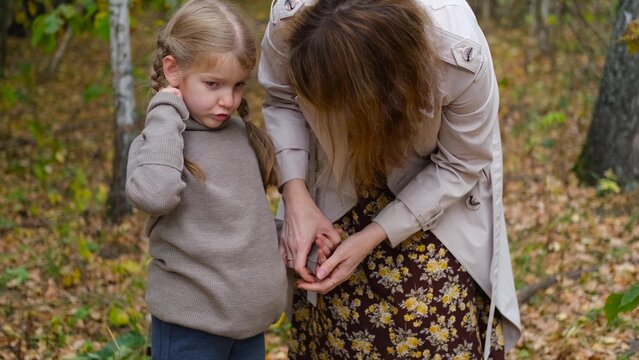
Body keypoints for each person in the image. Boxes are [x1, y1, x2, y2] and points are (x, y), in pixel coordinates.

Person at [258, 0, 522, 358]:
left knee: (434, 329)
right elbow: (282, 99)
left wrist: (372, 236)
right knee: (337, 330)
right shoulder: (290, 17)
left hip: (437, 205)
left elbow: (460, 163)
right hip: (336, 191)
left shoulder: (459, 55)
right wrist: (296, 197)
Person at [125, 0, 288, 358]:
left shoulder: (241, 136)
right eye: (213, 84)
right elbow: (155, 196)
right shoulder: (160, 143)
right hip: (191, 331)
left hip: (249, 329)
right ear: (173, 70)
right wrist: (166, 111)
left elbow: (248, 224)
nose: (227, 100)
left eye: (238, 86)